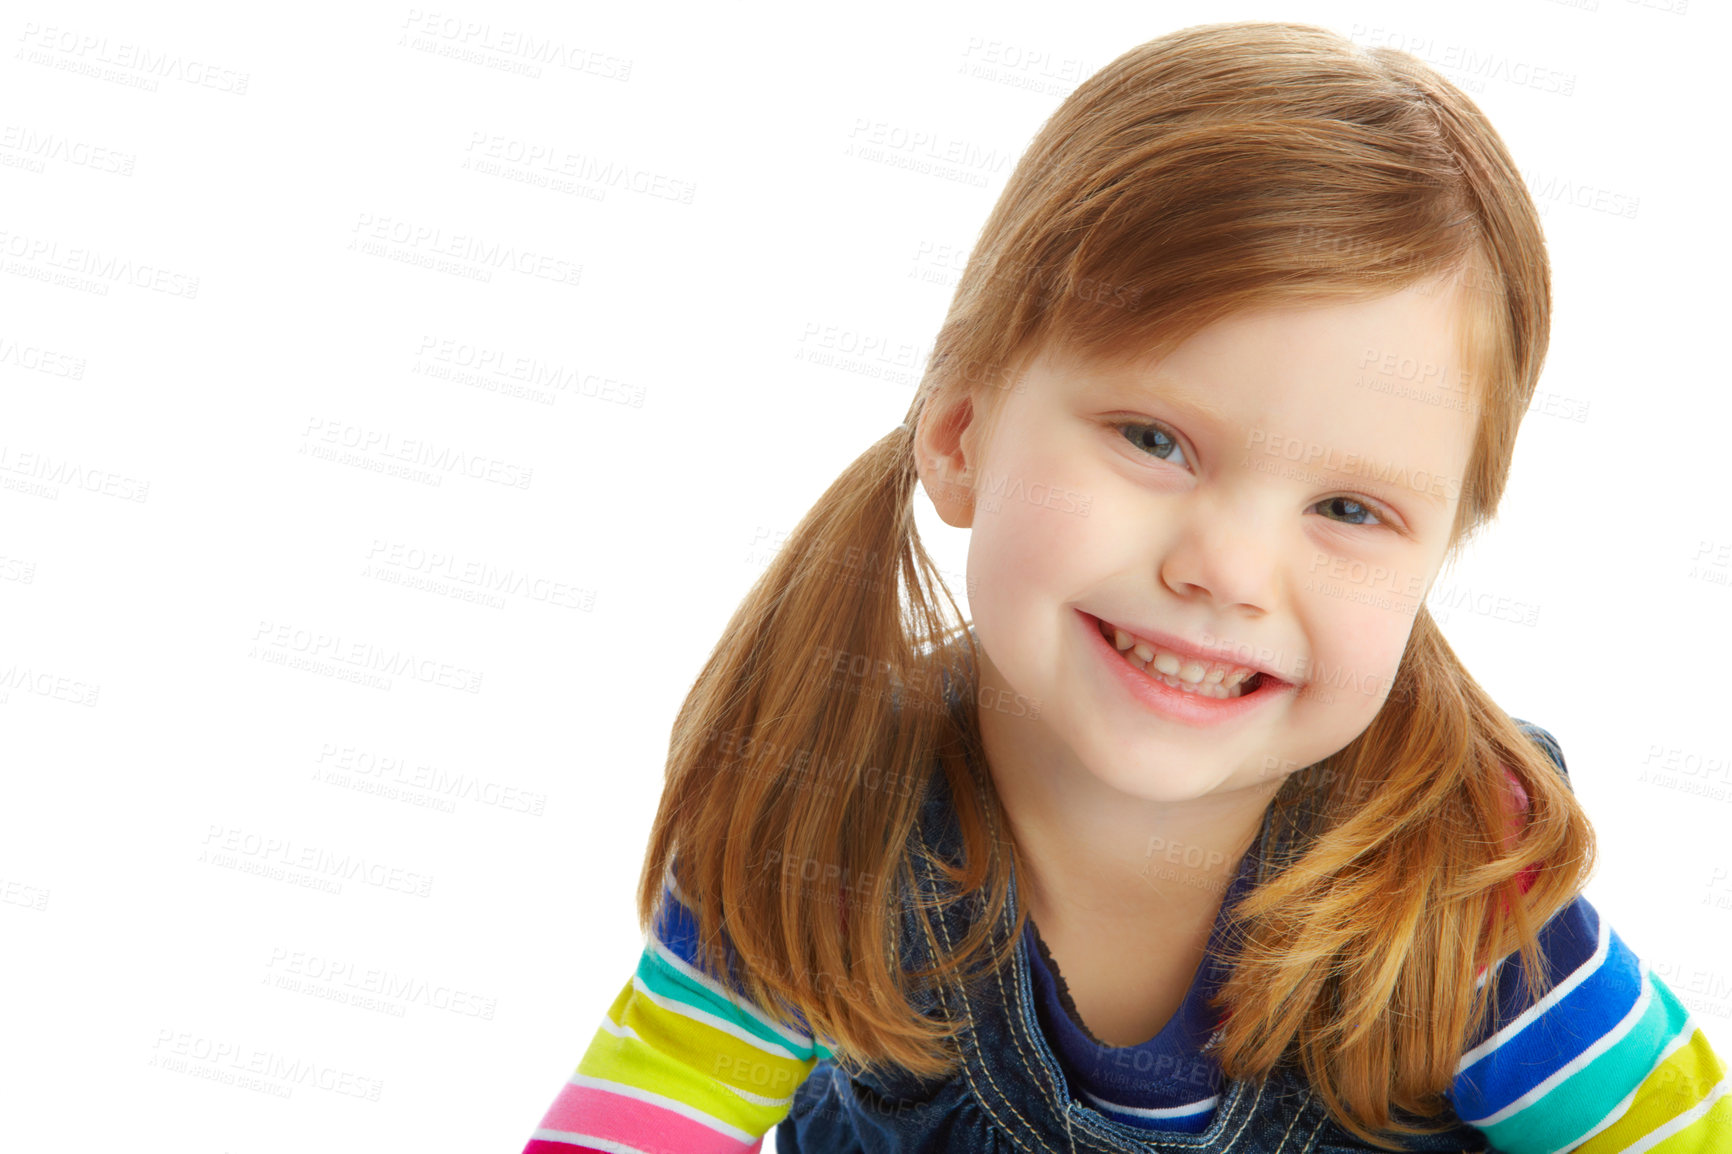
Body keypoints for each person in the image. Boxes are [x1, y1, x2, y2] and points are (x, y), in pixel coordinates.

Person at [519, 20, 1728, 1154]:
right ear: (958, 433)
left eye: (1349, 510)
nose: (1226, 569)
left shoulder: (1461, 888)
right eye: (1153, 440)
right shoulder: (825, 823)